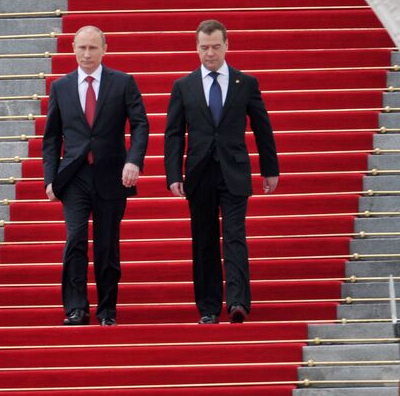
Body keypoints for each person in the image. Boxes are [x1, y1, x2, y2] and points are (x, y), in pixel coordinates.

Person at [164, 20, 280, 323]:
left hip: (234, 171)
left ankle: (238, 301)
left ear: (227, 45)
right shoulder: (183, 86)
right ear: (196, 48)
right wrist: (173, 174)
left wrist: (270, 169)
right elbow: (174, 133)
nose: (210, 53)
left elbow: (262, 127)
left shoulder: (246, 83)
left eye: (216, 47)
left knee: (234, 236)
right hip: (199, 172)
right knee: (203, 239)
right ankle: (209, 307)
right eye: (204, 47)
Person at [42, 26, 149, 326]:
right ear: (73, 49)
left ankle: (107, 310)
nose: (87, 54)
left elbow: (140, 124)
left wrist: (134, 161)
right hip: (73, 177)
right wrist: (50, 177)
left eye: (92, 48)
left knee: (106, 244)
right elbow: (51, 138)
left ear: (104, 48)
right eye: (81, 48)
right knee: (75, 239)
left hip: (111, 175)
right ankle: (75, 308)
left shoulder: (123, 83)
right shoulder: (61, 87)